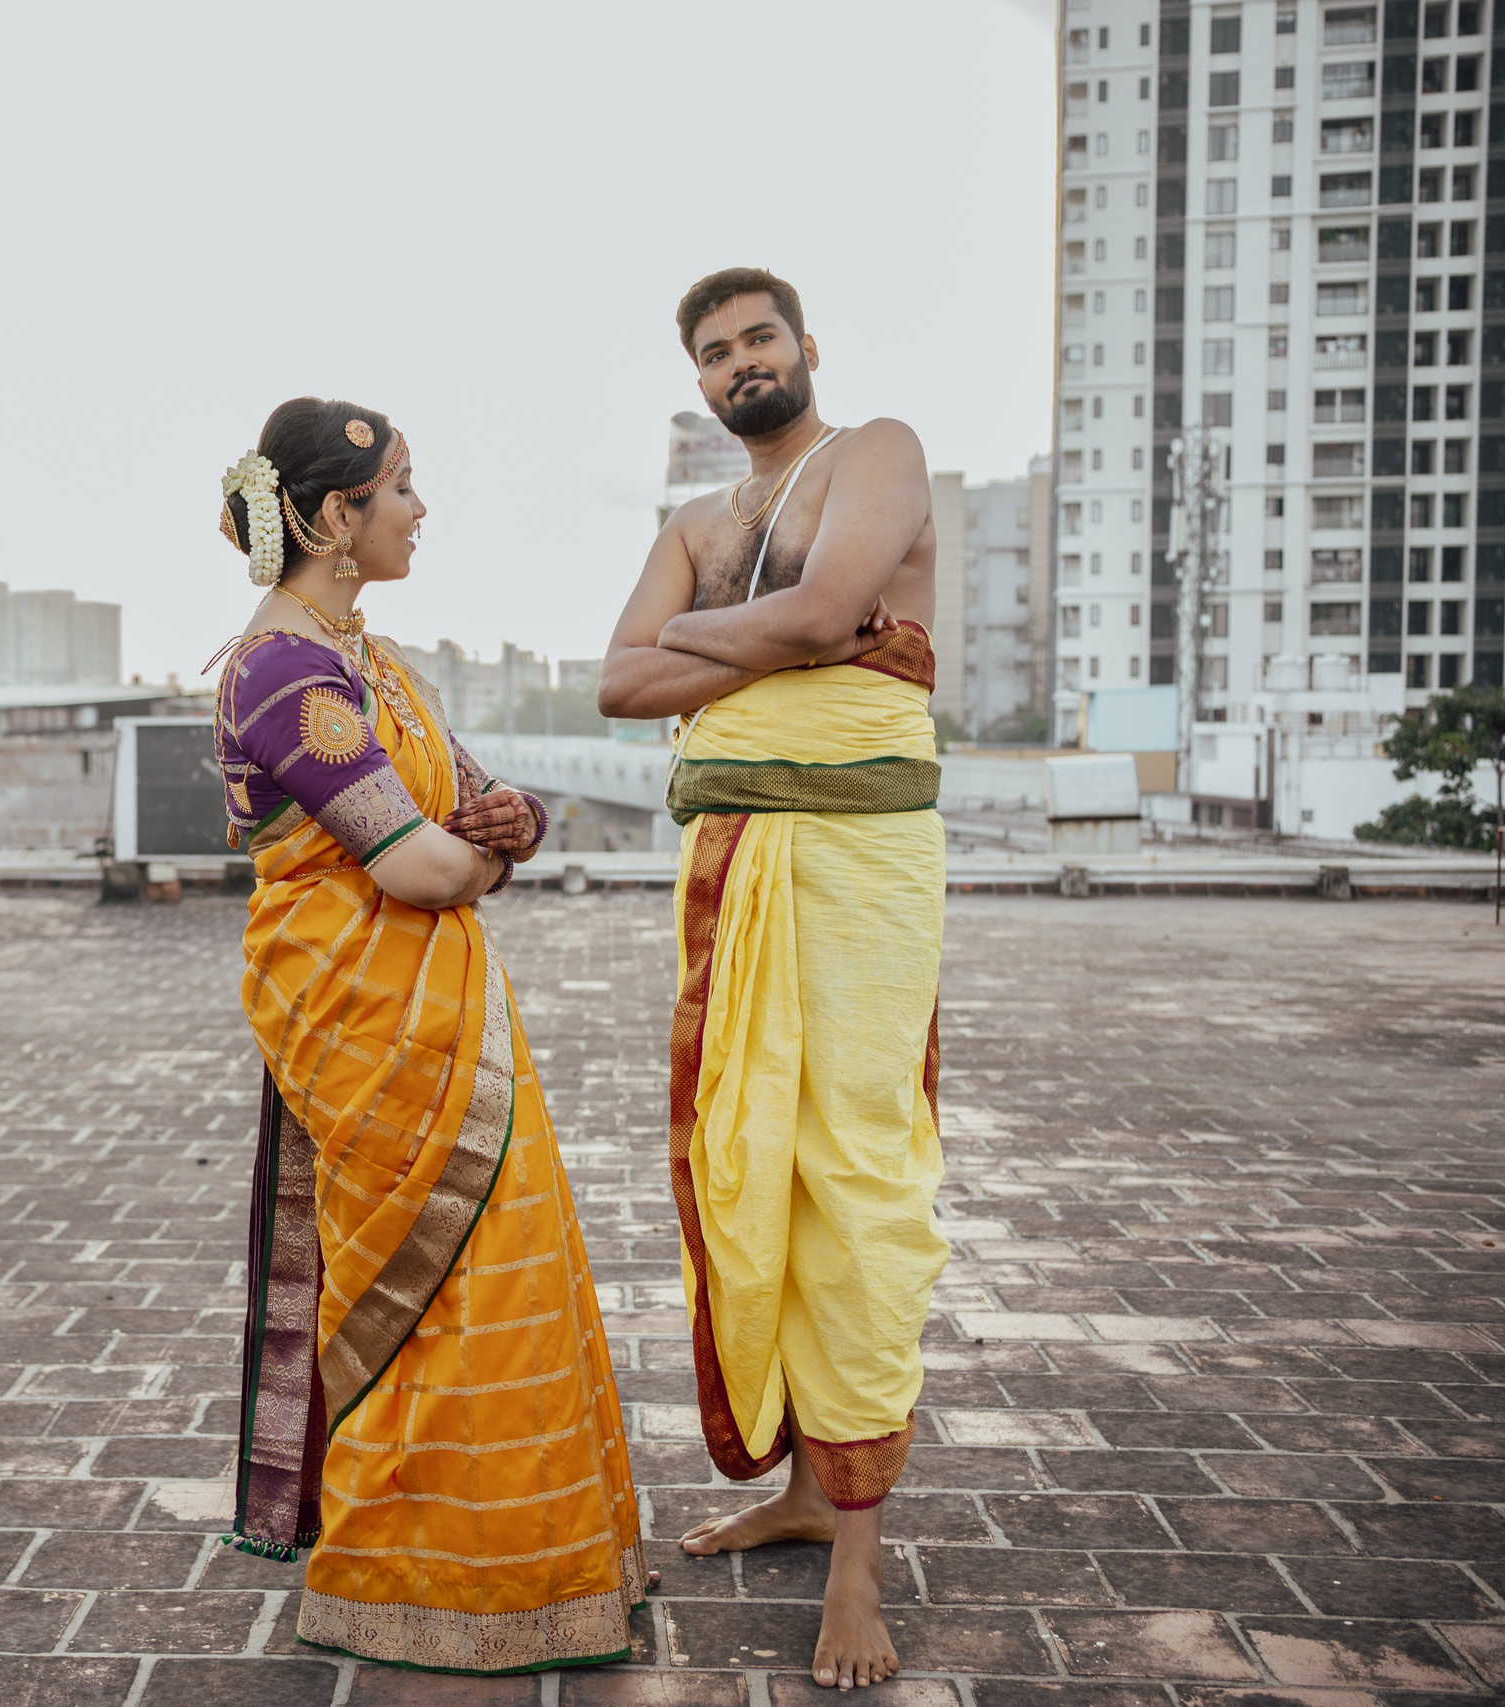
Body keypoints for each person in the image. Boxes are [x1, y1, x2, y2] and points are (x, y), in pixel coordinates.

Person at [214, 397, 649, 1675]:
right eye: (400, 488)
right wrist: (480, 857)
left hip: (444, 1013)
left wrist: (505, 834)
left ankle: (526, 1567)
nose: (420, 510)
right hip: (363, 1022)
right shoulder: (282, 672)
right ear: (331, 518)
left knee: (499, 1276)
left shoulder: (380, 665)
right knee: (418, 1291)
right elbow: (417, 867)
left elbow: (482, 811)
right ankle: (411, 1578)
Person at [596, 268, 948, 1692]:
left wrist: (707, 637)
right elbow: (615, 684)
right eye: (714, 351)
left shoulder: (877, 453)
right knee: (751, 1163)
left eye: (759, 337)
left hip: (858, 862)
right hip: (730, 863)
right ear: (698, 381)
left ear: (806, 346)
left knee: (855, 1176)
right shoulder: (694, 522)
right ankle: (806, 1485)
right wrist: (775, 633)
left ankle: (858, 1559)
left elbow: (831, 612)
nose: (742, 361)